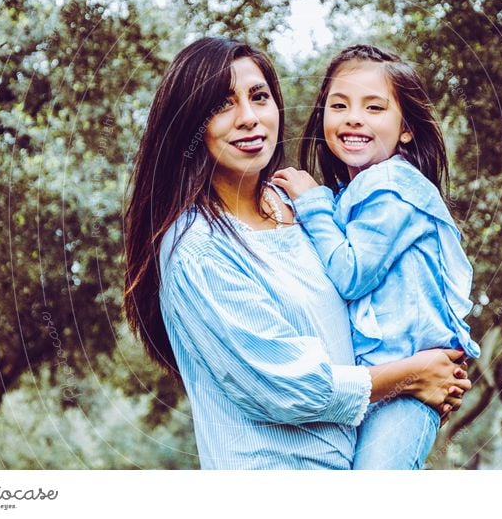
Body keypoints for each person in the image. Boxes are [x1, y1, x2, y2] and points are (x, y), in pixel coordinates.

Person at [124, 37, 471, 470]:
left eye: (259, 97)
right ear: (189, 127)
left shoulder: (299, 209)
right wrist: (413, 375)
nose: (248, 118)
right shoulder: (199, 249)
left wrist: (430, 362)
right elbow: (286, 387)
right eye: (221, 105)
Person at [272, 44, 480, 469]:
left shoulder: (393, 187)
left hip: (409, 389)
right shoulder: (353, 195)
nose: (354, 117)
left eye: (374, 107)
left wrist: (312, 203)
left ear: (406, 128)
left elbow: (350, 275)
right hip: (381, 385)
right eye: (340, 104)